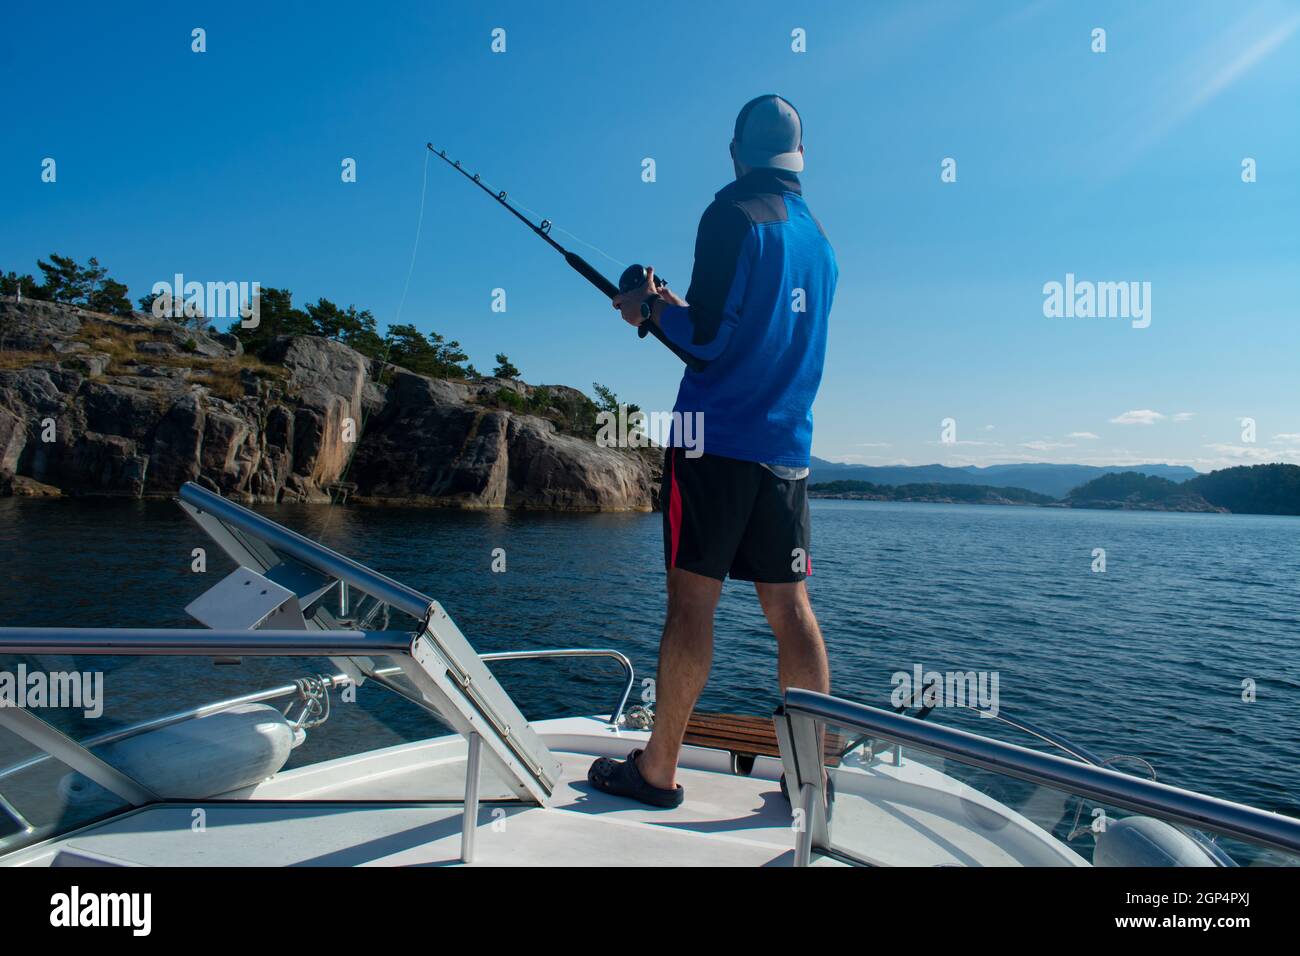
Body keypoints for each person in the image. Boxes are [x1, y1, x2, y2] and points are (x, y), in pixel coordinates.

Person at [589, 94, 838, 807]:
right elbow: (749, 326)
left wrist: (648, 309)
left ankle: (657, 769)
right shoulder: (820, 240)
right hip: (786, 451)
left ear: (736, 154)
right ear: (800, 158)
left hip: (714, 444)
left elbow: (710, 342)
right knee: (792, 610)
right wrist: (671, 307)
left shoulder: (730, 213)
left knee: (692, 604)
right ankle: (810, 780)